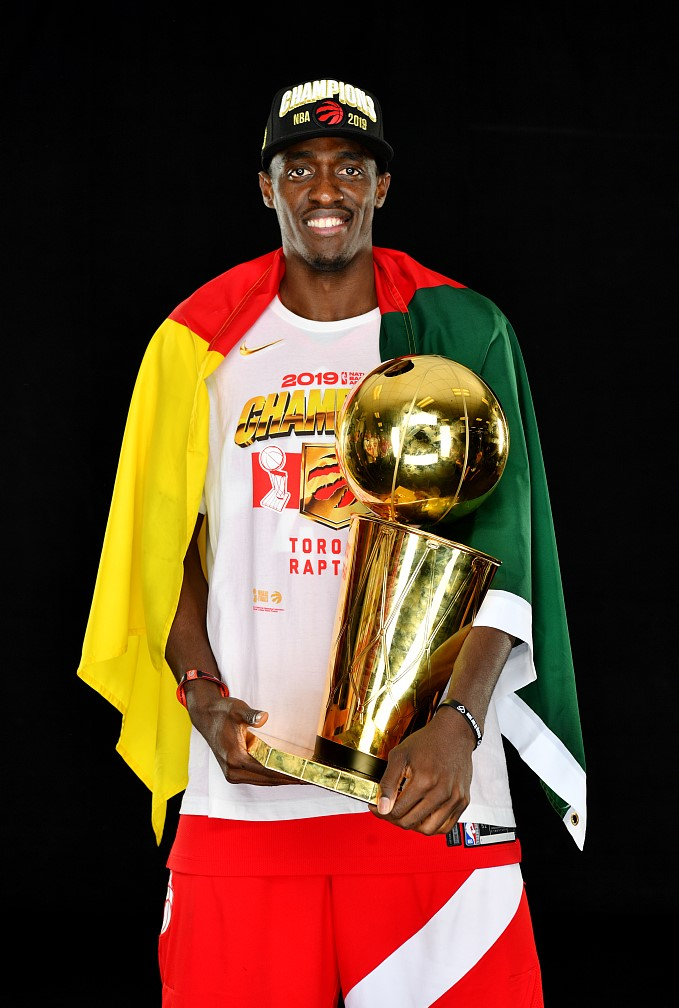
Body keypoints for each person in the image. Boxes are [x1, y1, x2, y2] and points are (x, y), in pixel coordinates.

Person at [78, 76, 587, 1007]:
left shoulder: (459, 328)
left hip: (425, 796)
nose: (326, 189)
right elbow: (167, 555)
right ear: (265, 186)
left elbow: (504, 546)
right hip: (246, 805)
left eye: (350, 167)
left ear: (380, 188)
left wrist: (458, 726)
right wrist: (198, 695)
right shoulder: (198, 344)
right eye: (299, 168)